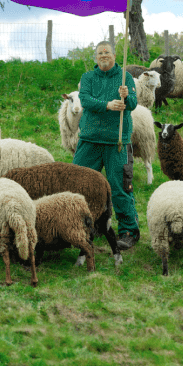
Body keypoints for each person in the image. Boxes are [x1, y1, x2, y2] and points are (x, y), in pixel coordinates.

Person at [73, 41, 140, 250]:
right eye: (100, 53)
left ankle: (128, 231)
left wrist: (126, 96)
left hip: (116, 141)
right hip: (90, 140)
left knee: (119, 186)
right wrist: (108, 105)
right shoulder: (88, 78)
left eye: (107, 52)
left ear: (114, 55)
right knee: (79, 184)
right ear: (96, 57)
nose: (104, 55)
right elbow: (85, 100)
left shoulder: (124, 77)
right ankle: (81, 227)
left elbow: (133, 104)